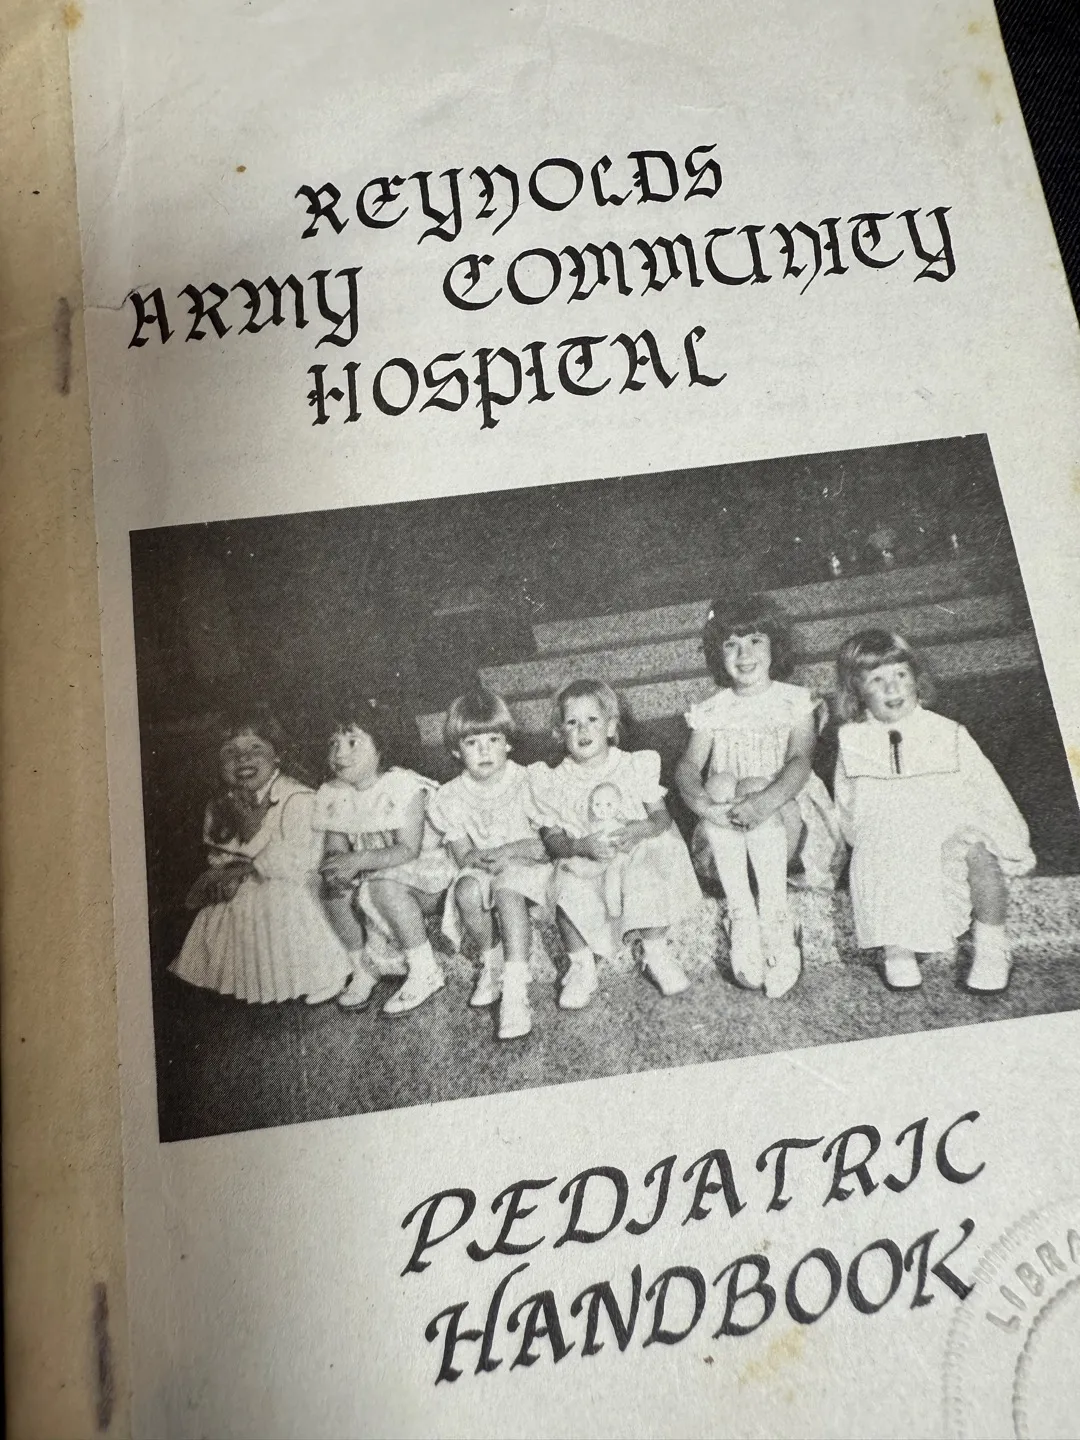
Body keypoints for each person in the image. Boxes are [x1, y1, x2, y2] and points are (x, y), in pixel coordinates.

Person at [833, 629, 1035, 993]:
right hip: (891, 846)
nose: (892, 688)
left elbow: (987, 790)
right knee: (875, 849)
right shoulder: (852, 741)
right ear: (857, 690)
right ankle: (897, 948)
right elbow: (848, 806)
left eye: (900, 674)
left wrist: (1009, 839)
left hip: (947, 834)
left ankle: (992, 946)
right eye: (876, 679)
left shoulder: (949, 733)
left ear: (916, 678)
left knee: (979, 853)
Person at [676, 594, 842, 998]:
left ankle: (776, 917)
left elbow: (799, 762)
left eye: (755, 641)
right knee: (719, 783)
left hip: (787, 821)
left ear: (775, 646)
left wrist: (763, 802)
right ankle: (742, 916)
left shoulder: (794, 701)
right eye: (731, 644)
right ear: (718, 655)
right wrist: (705, 806)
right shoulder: (712, 710)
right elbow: (688, 767)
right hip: (728, 836)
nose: (744, 654)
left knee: (752, 784)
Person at [530, 679, 701, 1008]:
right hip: (587, 856)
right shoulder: (553, 781)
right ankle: (581, 965)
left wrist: (641, 829)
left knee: (650, 865)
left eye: (592, 720)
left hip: (633, 850)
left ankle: (655, 951)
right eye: (572, 722)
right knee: (565, 886)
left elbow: (661, 818)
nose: (583, 729)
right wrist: (579, 846)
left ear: (610, 727)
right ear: (559, 733)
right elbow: (552, 838)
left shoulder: (634, 766)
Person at [170, 712, 350, 1004]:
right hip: (246, 882)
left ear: (277, 755)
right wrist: (226, 872)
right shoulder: (218, 805)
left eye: (255, 748)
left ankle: (323, 972)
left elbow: (298, 860)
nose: (243, 759)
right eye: (230, 752)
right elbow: (218, 855)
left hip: (295, 882)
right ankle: (244, 978)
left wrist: (252, 832)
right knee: (225, 904)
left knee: (276, 898)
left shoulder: (297, 797)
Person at [314, 698, 455, 1016]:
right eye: (333, 743)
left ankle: (425, 969)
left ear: (381, 746)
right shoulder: (334, 792)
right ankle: (362, 966)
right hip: (373, 868)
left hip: (423, 874)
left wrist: (358, 861)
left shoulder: (403, 786)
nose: (339, 753)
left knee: (384, 886)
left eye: (352, 742)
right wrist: (336, 867)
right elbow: (335, 845)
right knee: (332, 890)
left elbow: (408, 849)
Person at [427, 688, 552, 1041]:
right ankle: (492, 960)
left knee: (507, 888)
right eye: (472, 743)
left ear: (508, 743)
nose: (484, 751)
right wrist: (477, 859)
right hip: (486, 868)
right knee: (466, 890)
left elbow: (546, 845)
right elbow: (462, 854)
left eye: (493, 740)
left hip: (528, 864)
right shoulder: (450, 796)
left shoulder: (527, 781)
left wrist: (508, 852)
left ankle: (515, 988)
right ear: (456, 750)